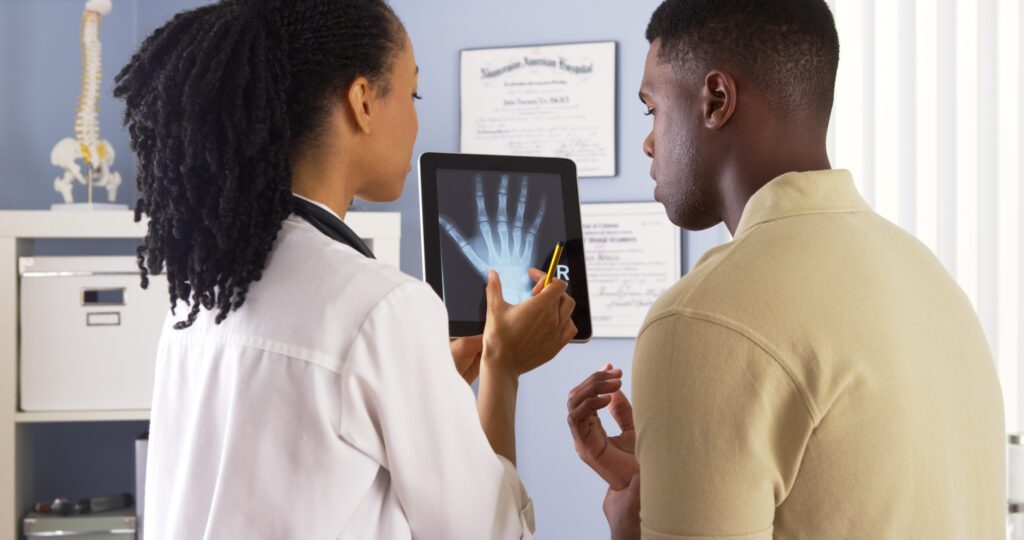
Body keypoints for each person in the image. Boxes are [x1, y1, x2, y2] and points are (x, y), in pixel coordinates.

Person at [113, 0, 576, 537]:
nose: (418, 120)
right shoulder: (383, 306)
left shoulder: (197, 297)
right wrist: (503, 367)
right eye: (413, 93)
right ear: (362, 102)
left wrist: (428, 383)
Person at [567, 0, 1005, 538]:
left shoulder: (700, 319)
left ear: (716, 99)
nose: (649, 141)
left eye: (651, 109)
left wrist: (630, 527)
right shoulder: (930, 280)